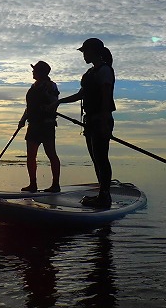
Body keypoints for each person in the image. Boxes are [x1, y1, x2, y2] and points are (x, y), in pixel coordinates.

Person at [54, 38, 115, 208]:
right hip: (90, 121)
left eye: (85, 52)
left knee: (101, 158)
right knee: (96, 159)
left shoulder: (105, 71)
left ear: (94, 51)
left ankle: (105, 196)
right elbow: (81, 94)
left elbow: (105, 97)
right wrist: (59, 102)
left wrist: (103, 122)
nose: (83, 55)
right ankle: (102, 194)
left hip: (101, 120)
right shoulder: (90, 73)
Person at [18, 61, 61, 193]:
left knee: (51, 154)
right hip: (33, 124)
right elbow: (29, 107)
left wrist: (47, 97)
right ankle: (33, 184)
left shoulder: (51, 86)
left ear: (41, 72)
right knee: (30, 155)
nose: (32, 72)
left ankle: (55, 185)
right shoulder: (33, 86)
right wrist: (22, 119)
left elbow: (55, 102)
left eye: (35, 70)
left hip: (46, 124)